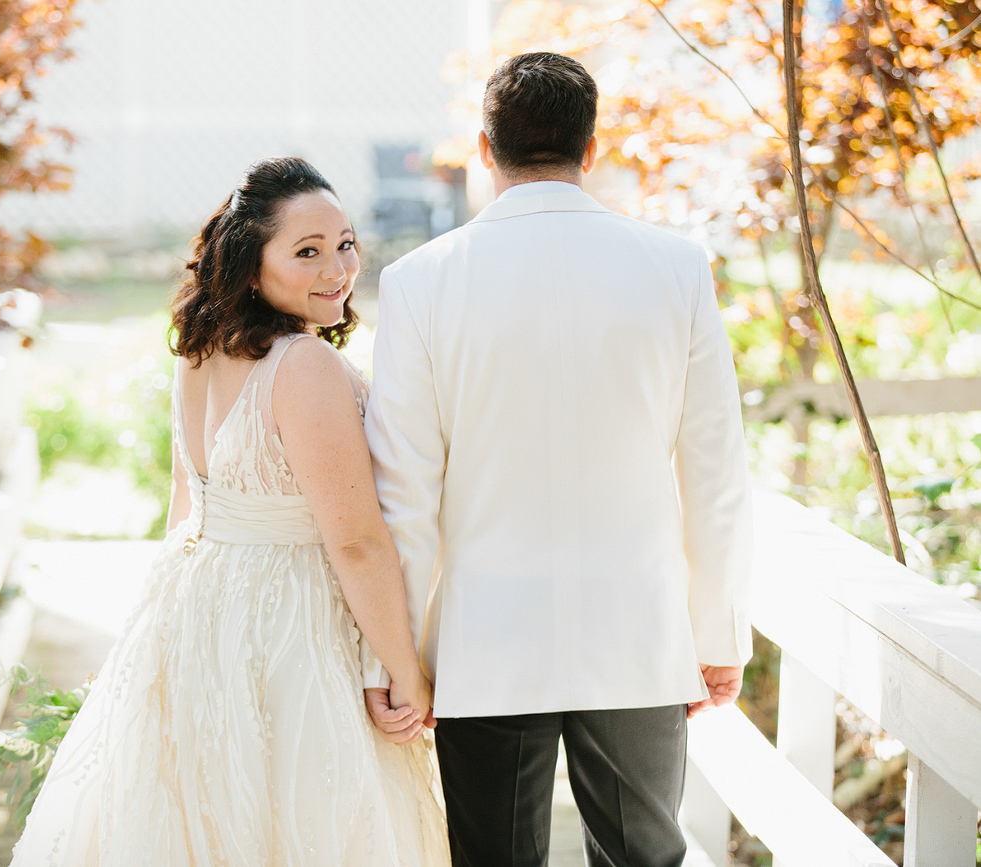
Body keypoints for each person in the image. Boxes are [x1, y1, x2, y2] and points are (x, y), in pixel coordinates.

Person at [362, 53, 753, 867]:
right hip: (637, 631)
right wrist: (716, 631)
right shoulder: (675, 268)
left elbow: (402, 492)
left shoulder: (417, 282)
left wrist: (390, 657)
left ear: (481, 146)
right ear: (591, 144)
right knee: (643, 858)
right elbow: (714, 474)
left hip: (482, 639)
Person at [7, 156, 449, 866]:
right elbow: (357, 541)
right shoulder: (302, 365)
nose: (337, 268)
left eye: (344, 243)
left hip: (197, 603)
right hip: (290, 618)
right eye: (306, 252)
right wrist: (404, 669)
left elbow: (186, 506)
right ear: (251, 264)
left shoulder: (199, 349)